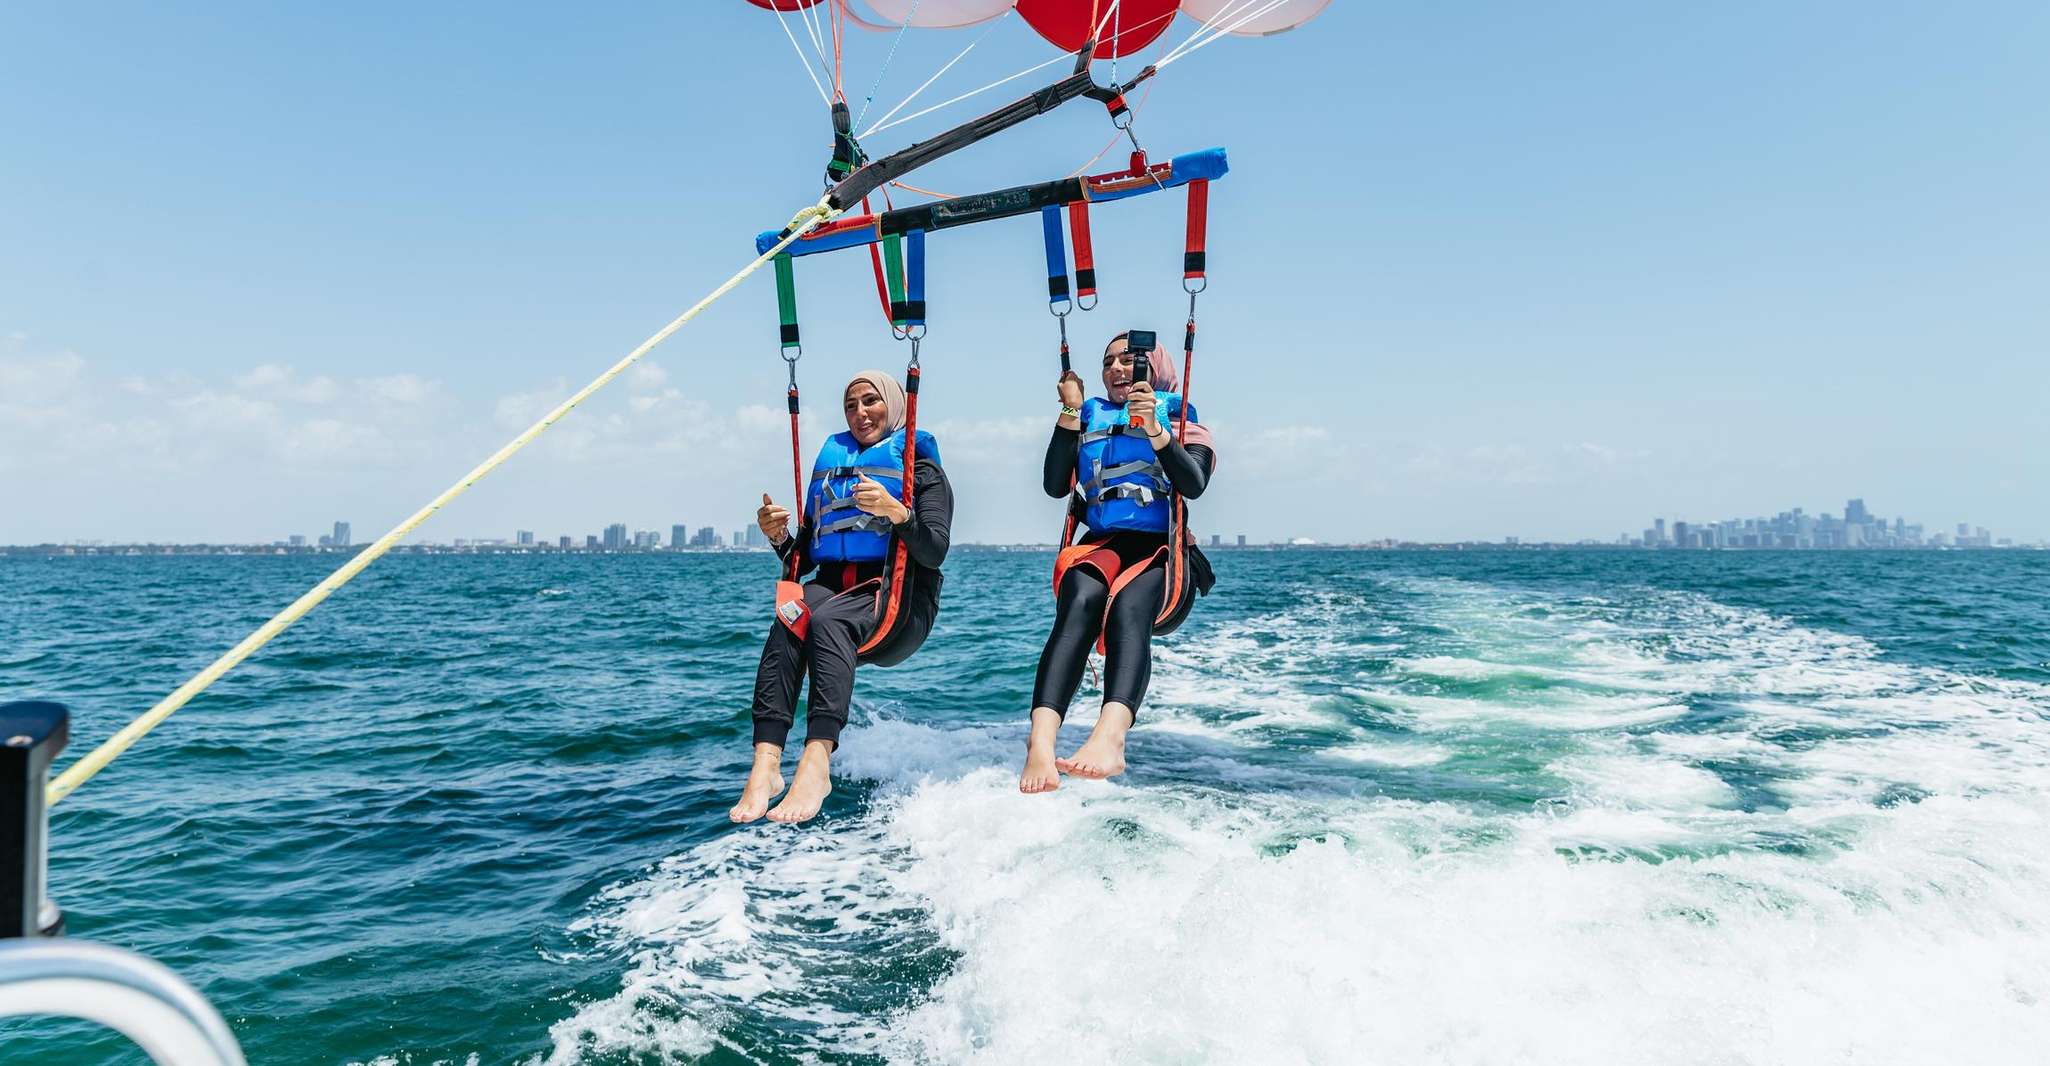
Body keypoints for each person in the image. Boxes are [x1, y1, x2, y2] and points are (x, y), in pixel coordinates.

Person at [732, 369, 952, 824]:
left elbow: (934, 550)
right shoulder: (836, 465)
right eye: (851, 405)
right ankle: (767, 763)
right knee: (790, 615)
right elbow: (807, 555)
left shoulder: (920, 468)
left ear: (893, 403)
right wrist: (779, 537)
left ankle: (816, 762)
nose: (860, 413)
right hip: (833, 583)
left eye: (870, 401)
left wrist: (897, 512)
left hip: (897, 596)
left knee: (828, 620)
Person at [1021, 332, 1216, 793]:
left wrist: (1157, 432)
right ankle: (1041, 743)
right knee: (1079, 600)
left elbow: (1194, 483)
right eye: (1108, 362)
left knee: (1130, 607)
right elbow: (1054, 484)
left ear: (1156, 370)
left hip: (1159, 549)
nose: (1115, 369)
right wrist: (1068, 414)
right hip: (1101, 542)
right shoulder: (1088, 418)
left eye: (1130, 361)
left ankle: (1110, 737)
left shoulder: (1181, 419)